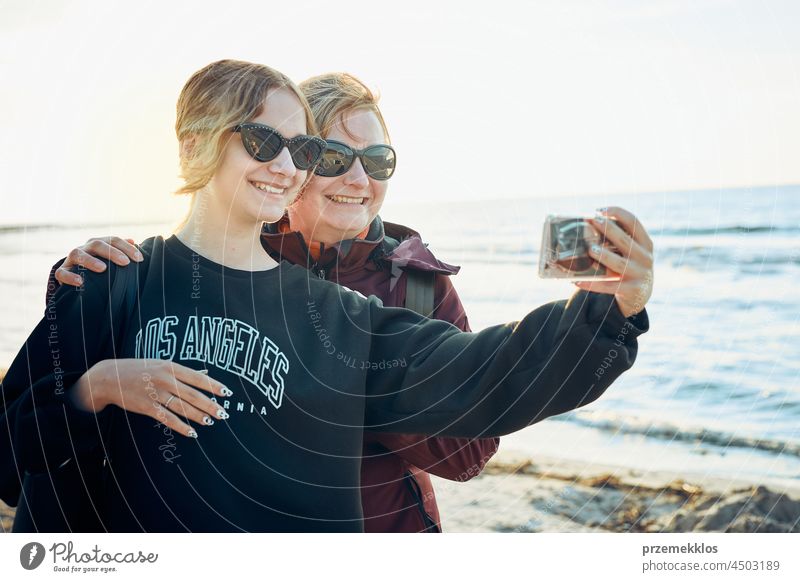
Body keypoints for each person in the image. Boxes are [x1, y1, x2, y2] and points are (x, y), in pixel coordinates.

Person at [0, 59, 652, 533]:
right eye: (268, 143)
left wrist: (608, 310)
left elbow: (490, 380)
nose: (355, 178)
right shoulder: (115, 279)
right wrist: (97, 387)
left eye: (379, 161)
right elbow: (14, 458)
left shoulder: (363, 312)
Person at [47, 72, 499, 533]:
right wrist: (99, 287)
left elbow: (468, 456)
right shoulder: (222, 267)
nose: (360, 179)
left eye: (378, 160)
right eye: (333, 156)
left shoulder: (419, 286)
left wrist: (344, 379)